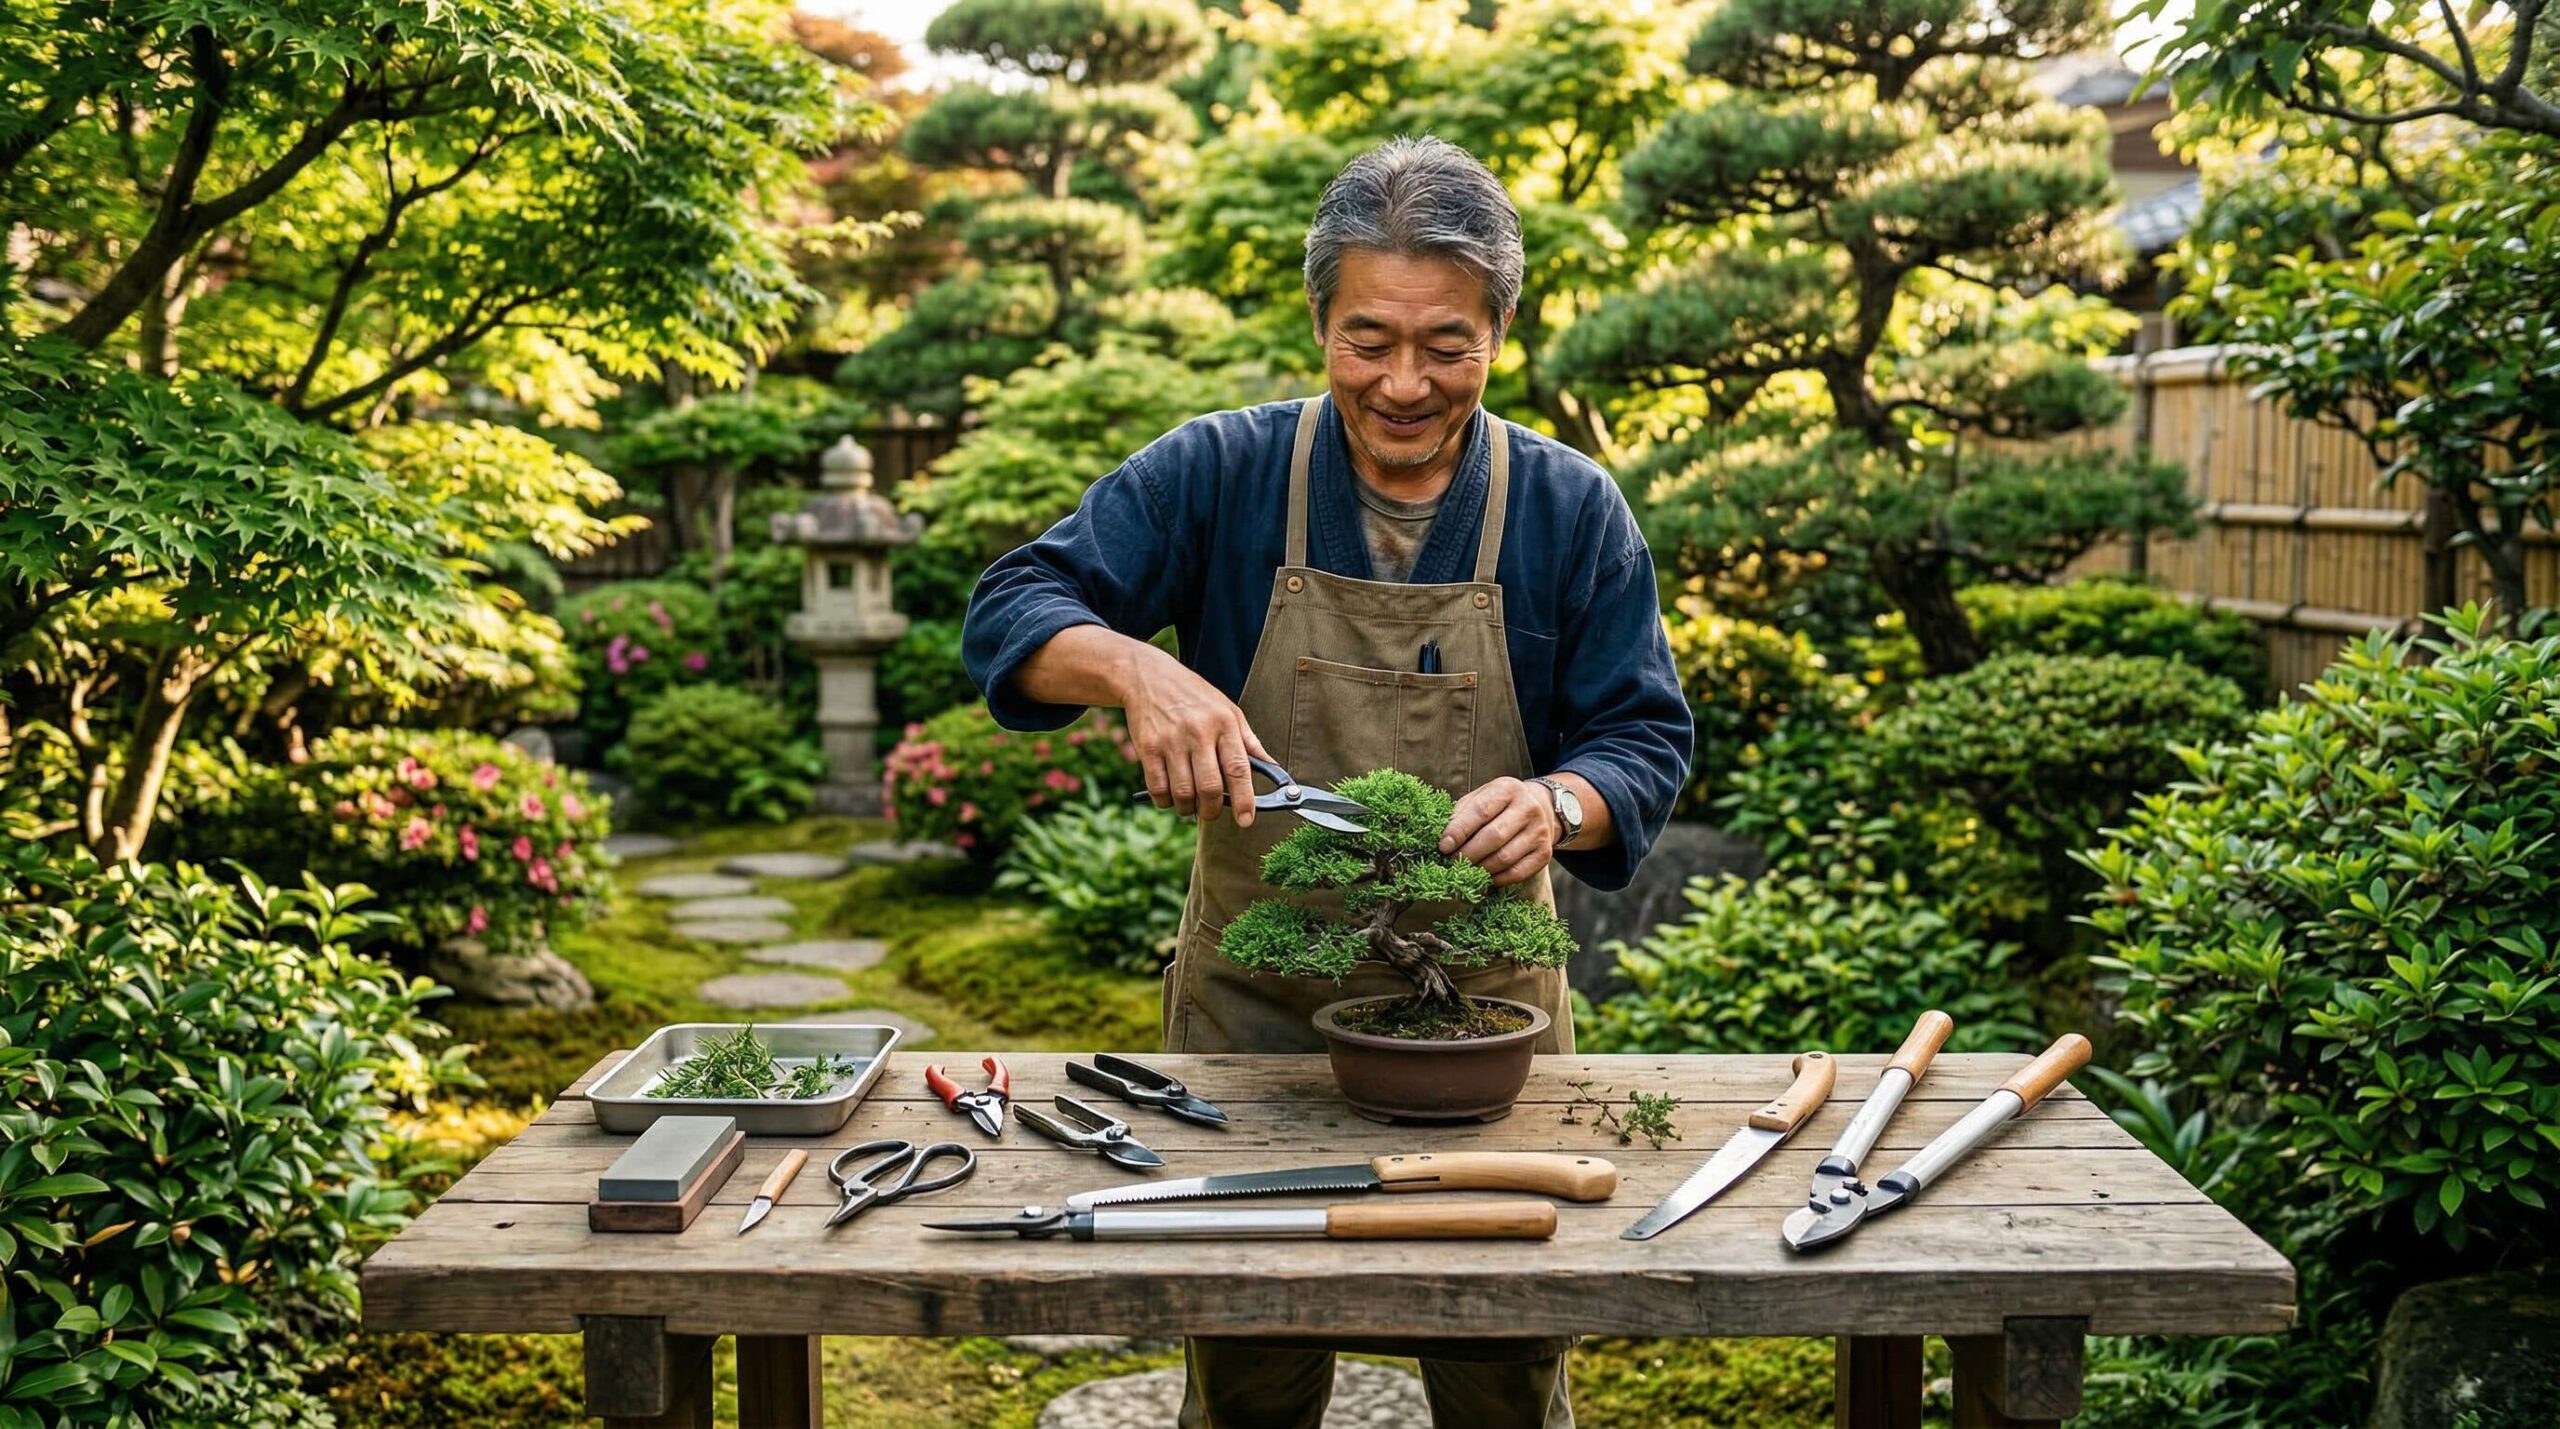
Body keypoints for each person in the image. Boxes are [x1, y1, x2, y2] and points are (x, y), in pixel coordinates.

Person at [961, 135, 1691, 1429]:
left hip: (1484, 1043)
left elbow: (1641, 732)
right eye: (1369, 339)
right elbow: (1014, 602)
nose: (1405, 382)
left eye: (1446, 344)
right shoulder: (1220, 471)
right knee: (1247, 1374)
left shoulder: (1571, 509)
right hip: (1255, 1034)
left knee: (1504, 1378)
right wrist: (1134, 667)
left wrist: (1561, 801)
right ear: (1318, 320)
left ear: (1499, 330)